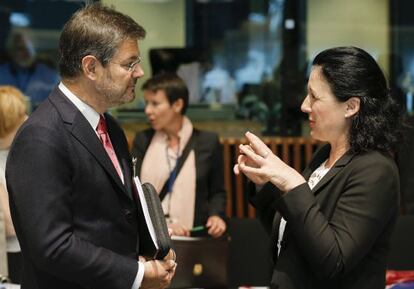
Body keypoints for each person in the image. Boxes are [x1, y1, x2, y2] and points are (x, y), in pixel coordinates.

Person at [6, 4, 176, 289]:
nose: (140, 72)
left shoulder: (112, 129)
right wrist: (137, 274)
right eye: (129, 63)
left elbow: (113, 217)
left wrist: (153, 250)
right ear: (91, 67)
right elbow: (53, 246)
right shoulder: (41, 135)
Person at [234, 46, 401, 289]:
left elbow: (333, 261)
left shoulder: (375, 170)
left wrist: (293, 183)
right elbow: (296, 230)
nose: (304, 105)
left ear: (351, 106)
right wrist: (264, 184)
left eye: (314, 96)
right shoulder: (324, 154)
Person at [131, 73, 227, 238]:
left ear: (177, 105)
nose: (148, 110)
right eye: (146, 103)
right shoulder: (143, 140)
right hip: (152, 238)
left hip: (193, 237)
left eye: (155, 104)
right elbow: (135, 192)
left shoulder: (207, 141)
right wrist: (164, 226)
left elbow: (217, 191)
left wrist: (216, 216)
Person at [0, 86, 27, 284]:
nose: (26, 119)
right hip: (10, 254)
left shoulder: (21, 149)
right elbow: (10, 226)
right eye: (20, 116)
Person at [0, 31, 60, 110]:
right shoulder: (2, 73)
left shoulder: (51, 75)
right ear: (11, 51)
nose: (27, 52)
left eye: (30, 47)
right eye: (21, 49)